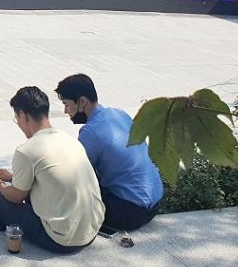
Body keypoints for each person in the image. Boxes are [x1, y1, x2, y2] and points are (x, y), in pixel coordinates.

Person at [0, 86, 104, 253]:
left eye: (16, 119)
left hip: (62, 240)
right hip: (91, 230)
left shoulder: (26, 150)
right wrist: (12, 177)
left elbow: (17, 197)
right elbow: (49, 174)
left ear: (23, 115)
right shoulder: (69, 140)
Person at [56, 74, 163, 232]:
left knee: (68, 193)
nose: (65, 111)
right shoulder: (120, 114)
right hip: (156, 202)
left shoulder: (91, 131)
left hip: (131, 212)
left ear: (82, 102)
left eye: (67, 104)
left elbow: (75, 175)